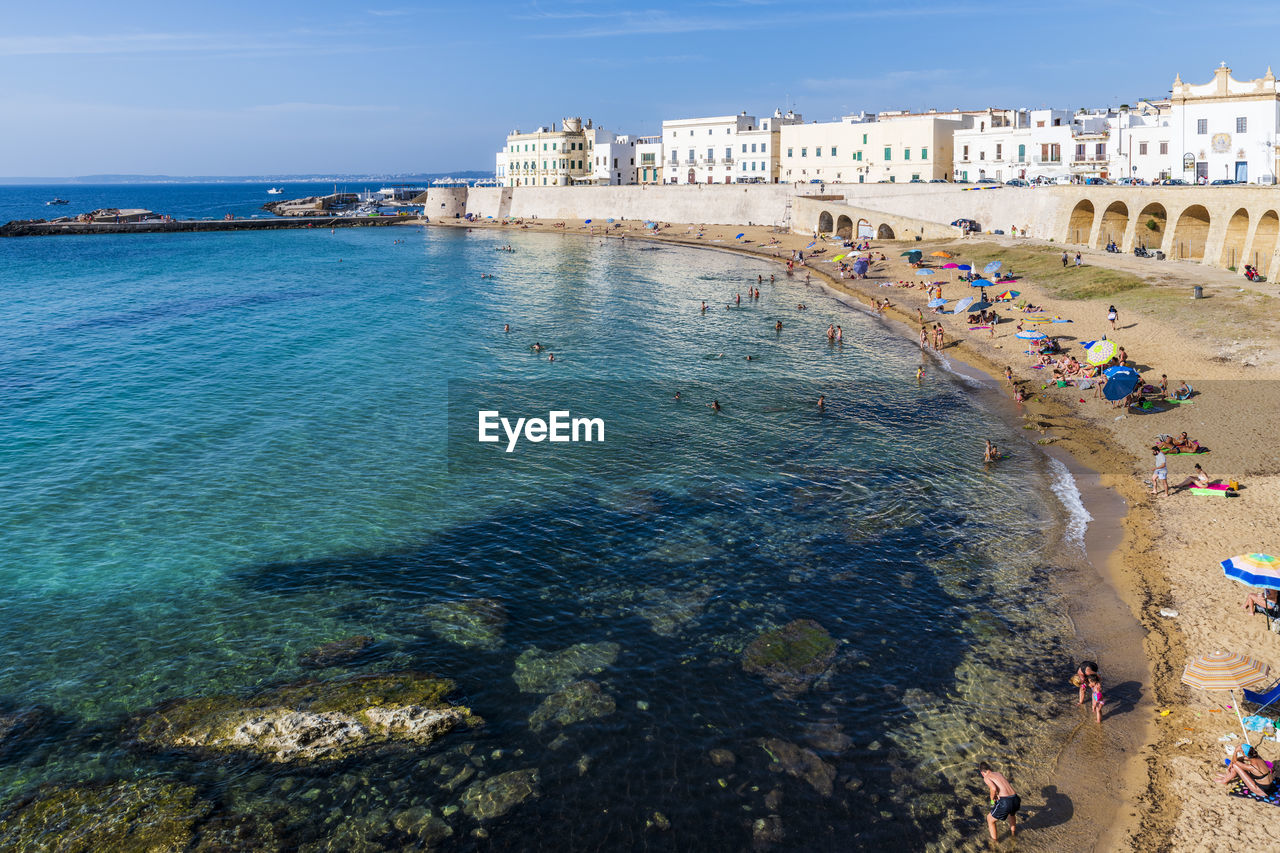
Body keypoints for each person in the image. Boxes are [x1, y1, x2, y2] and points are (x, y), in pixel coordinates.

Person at [978, 763, 1019, 842]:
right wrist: (998, 795)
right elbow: (1003, 787)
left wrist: (992, 800)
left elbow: (993, 788)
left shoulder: (986, 777)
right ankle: (1013, 834)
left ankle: (995, 842)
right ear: (989, 768)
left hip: (1006, 801)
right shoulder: (998, 773)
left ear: (982, 773)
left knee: (990, 819)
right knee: (1012, 814)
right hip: (1015, 798)